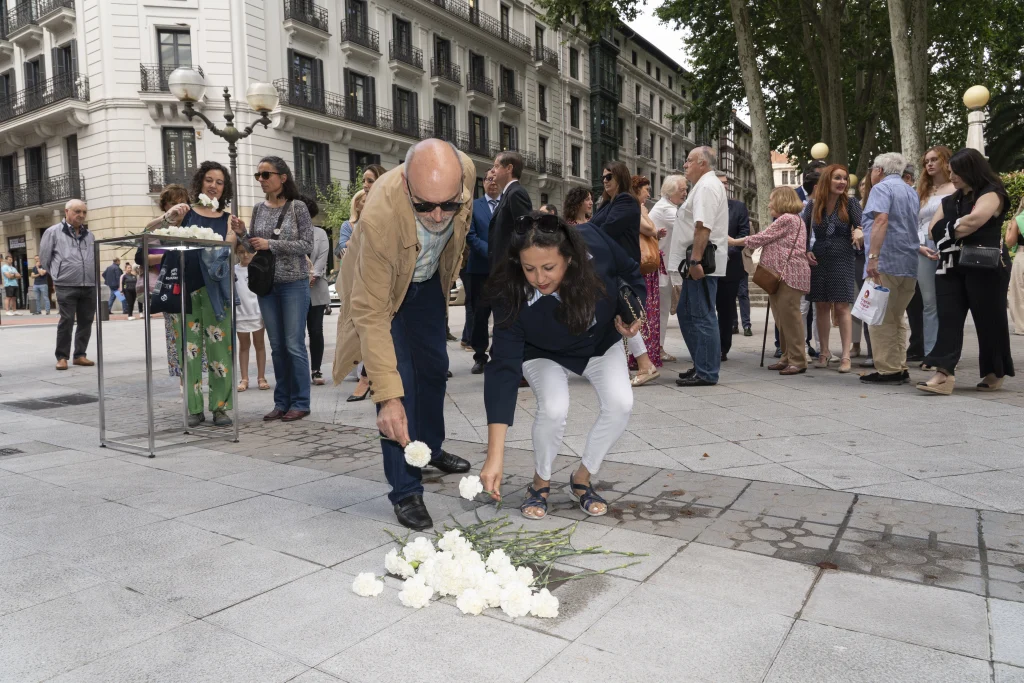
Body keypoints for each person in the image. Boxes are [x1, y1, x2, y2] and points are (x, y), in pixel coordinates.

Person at [331, 139, 474, 531]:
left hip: (425, 282)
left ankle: (430, 449)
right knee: (400, 384)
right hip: (382, 292)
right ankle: (406, 488)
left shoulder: (465, 175)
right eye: (425, 205)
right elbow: (371, 315)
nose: (438, 215)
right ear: (408, 186)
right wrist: (388, 398)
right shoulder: (379, 217)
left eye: (449, 204)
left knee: (434, 370)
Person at [479, 212, 643, 518]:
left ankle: (581, 480)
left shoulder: (597, 243)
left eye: (548, 267)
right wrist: (494, 455)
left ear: (569, 257)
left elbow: (630, 271)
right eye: (529, 268)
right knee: (554, 408)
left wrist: (635, 310)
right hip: (541, 350)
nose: (539, 278)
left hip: (599, 342)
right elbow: (503, 369)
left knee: (621, 404)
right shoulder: (511, 293)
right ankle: (539, 483)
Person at [919, 148, 1014, 394]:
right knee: (948, 318)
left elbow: (975, 220)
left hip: (986, 266)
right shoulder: (951, 200)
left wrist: (947, 229)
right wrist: (956, 228)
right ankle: (943, 375)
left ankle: (995, 371)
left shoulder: (992, 193)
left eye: (956, 172)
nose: (952, 177)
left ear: (971, 170)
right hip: (951, 266)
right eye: (950, 172)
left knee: (989, 320)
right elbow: (931, 230)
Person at [234, 156, 314, 422]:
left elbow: (307, 245)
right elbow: (252, 248)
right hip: (266, 285)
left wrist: (272, 244)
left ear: (283, 177)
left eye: (266, 175)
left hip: (294, 283)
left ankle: (301, 402)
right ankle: (282, 402)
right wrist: (244, 233)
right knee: (277, 346)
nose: (261, 180)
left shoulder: (298, 207)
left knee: (293, 345)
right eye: (258, 176)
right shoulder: (258, 208)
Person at [174, 163, 241, 425]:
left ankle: (220, 408)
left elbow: (228, 252)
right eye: (209, 180)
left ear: (225, 188)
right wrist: (171, 217)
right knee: (188, 351)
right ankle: (193, 409)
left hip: (217, 292)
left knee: (221, 350)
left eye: (220, 182)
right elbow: (164, 237)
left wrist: (232, 234)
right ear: (200, 182)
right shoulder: (186, 213)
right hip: (188, 288)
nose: (213, 185)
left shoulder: (228, 219)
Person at [730, 187, 811, 374]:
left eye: (771, 200)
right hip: (784, 275)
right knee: (782, 318)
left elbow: (761, 238)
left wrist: (733, 242)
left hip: (788, 275)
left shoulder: (786, 219)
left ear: (781, 201)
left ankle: (798, 360)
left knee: (790, 319)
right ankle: (787, 356)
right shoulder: (794, 219)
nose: (768, 204)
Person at [592, 161, 659, 384]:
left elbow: (605, 229)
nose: (604, 181)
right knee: (615, 315)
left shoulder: (625, 200)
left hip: (620, 267)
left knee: (624, 314)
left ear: (620, 177)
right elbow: (594, 227)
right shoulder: (608, 203)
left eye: (609, 176)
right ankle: (633, 365)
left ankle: (645, 364)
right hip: (607, 266)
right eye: (602, 178)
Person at [669, 146, 729, 387]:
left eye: (689, 161)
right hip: (695, 262)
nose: (685, 165)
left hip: (700, 263)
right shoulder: (704, 186)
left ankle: (706, 371)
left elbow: (702, 226)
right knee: (687, 313)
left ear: (702, 163)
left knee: (702, 316)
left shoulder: (705, 186)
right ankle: (702, 364)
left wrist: (695, 260)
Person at [860, 152, 921, 384]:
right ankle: (899, 364)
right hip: (908, 263)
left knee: (880, 317)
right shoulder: (910, 191)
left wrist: (873, 257)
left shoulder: (881, 189)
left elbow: (881, 220)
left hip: (885, 261)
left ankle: (888, 369)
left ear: (879, 170)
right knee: (897, 317)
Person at [802, 164, 862, 373]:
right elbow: (802, 231)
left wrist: (860, 231)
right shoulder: (813, 205)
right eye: (837, 178)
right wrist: (805, 250)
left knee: (842, 306)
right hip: (818, 258)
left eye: (845, 179)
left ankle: (845, 355)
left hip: (843, 257)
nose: (842, 182)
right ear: (827, 180)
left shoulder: (851, 203)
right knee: (821, 306)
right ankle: (824, 351)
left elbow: (862, 225)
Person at [907, 146, 954, 362]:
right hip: (924, 246)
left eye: (934, 159)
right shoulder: (921, 191)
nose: (930, 164)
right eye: (927, 161)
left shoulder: (957, 188)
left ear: (945, 161)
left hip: (950, 244)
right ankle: (930, 353)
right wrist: (918, 245)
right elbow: (911, 223)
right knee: (929, 302)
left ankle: (948, 352)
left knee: (951, 300)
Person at [141, 184, 192, 381]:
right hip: (171, 288)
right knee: (176, 335)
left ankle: (197, 377)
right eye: (173, 203)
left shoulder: (193, 225)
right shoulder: (158, 229)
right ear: (165, 206)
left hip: (193, 285)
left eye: (182, 202)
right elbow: (142, 256)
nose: (179, 207)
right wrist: (168, 255)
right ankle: (182, 380)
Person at [39, 200, 95, 368]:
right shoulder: (52, 232)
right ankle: (62, 357)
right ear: (67, 211)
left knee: (86, 320)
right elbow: (44, 259)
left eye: (84, 212)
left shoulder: (89, 235)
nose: (82, 215)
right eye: (77, 211)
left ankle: (80, 355)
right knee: (67, 320)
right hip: (65, 284)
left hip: (88, 284)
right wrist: (58, 275)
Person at [628, 175, 664, 380]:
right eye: (646, 189)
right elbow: (649, 229)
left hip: (646, 266)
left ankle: (643, 356)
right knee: (643, 310)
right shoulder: (636, 208)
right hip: (642, 265)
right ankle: (642, 356)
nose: (649, 193)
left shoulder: (636, 208)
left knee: (645, 310)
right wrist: (651, 224)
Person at [649, 174, 686, 360]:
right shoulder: (666, 209)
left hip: (661, 267)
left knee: (660, 309)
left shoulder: (667, 207)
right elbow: (687, 228)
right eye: (682, 190)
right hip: (659, 268)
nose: (685, 193)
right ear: (671, 191)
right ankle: (658, 348)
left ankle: (657, 346)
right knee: (660, 310)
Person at [467, 169, 499, 375]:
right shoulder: (474, 206)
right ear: (483, 183)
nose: (493, 182)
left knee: (503, 314)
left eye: (496, 179)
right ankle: (480, 356)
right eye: (489, 179)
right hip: (479, 270)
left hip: (503, 270)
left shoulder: (507, 204)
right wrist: (490, 252)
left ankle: (498, 353)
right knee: (480, 314)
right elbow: (470, 235)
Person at [716, 171, 750, 362]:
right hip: (705, 266)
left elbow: (744, 235)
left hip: (730, 266)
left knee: (726, 309)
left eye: (725, 183)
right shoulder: (706, 206)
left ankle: (723, 348)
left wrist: (728, 252)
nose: (724, 186)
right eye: (720, 183)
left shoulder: (738, 207)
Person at [487, 151, 533, 271]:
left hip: (510, 269)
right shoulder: (507, 194)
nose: (492, 170)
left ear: (509, 168)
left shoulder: (516, 193)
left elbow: (525, 233)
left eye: (496, 166)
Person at [234, 249, 268, 392]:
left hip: (257, 312)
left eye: (248, 252)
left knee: (259, 344)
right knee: (243, 346)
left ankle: (261, 377)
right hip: (241, 312)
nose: (245, 255)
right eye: (241, 252)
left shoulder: (258, 267)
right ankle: (244, 378)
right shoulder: (233, 270)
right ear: (236, 252)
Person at [308, 201, 330, 387]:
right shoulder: (290, 232)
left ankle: (316, 369)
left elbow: (323, 257)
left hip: (316, 288)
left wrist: (313, 275)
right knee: (295, 334)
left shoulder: (320, 233)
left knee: (316, 330)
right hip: (294, 287)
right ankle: (297, 371)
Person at [1006, 196, 1024, 335]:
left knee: (1019, 292)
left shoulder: (1018, 220)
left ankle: (1022, 326)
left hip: (1022, 256)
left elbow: (1010, 242)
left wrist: (1008, 229)